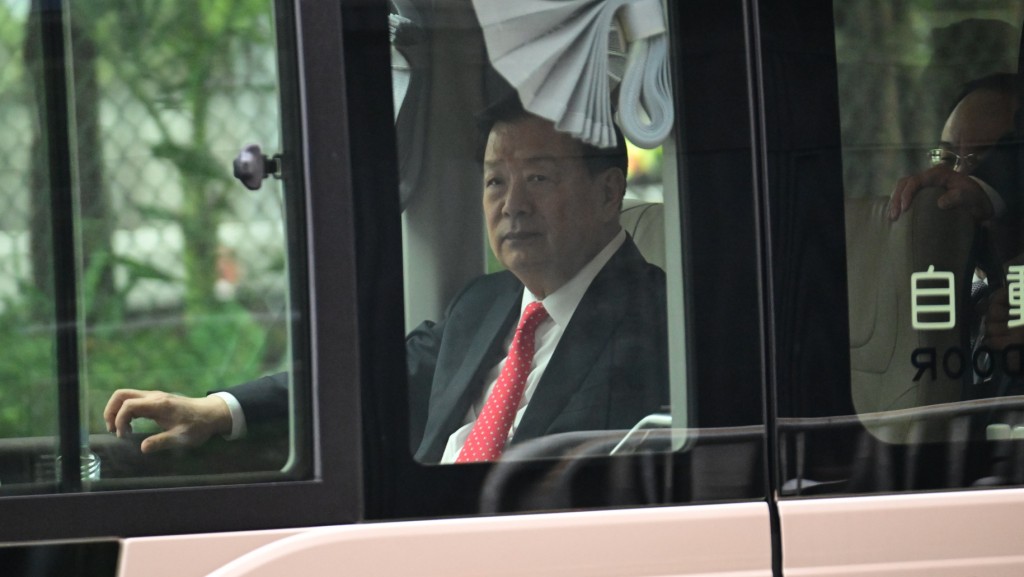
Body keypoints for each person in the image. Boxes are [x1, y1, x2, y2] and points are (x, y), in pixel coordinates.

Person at [104, 106, 669, 464]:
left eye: (539, 178)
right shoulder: (481, 304)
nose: (512, 205)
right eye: (496, 181)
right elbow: (367, 383)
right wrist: (219, 409)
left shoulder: (664, 320)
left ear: (607, 193)